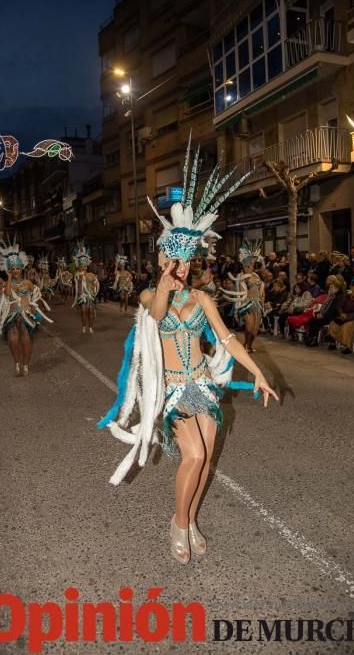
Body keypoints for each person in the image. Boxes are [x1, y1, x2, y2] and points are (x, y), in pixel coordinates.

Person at [97, 137, 278, 565]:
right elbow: (157, 314)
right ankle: (178, 523)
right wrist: (163, 283)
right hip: (174, 392)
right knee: (192, 456)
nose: (181, 268)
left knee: (204, 463)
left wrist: (258, 373)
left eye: (186, 262)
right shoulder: (147, 295)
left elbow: (228, 341)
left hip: (203, 387)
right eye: (174, 260)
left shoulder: (203, 299)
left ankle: (192, 519)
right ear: (162, 258)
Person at [0, 238, 53, 375]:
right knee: (13, 340)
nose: (15, 270)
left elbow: (36, 295)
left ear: (22, 268)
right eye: (12, 268)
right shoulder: (6, 284)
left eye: (17, 268)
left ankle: (26, 365)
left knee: (26, 340)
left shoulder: (27, 283)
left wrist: (33, 307)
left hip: (26, 316)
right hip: (12, 316)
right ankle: (16, 363)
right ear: (9, 269)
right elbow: (9, 294)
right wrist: (8, 278)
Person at [220, 241, 265, 352]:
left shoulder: (257, 276)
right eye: (245, 266)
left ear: (253, 266)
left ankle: (249, 345)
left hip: (257, 304)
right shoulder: (241, 277)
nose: (246, 268)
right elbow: (240, 292)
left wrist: (263, 301)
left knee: (255, 329)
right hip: (247, 304)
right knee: (249, 327)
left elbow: (262, 291)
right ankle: (245, 344)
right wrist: (237, 308)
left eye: (249, 266)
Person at [328, 281, 354, 354]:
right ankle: (334, 339)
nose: (351, 291)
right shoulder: (348, 297)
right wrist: (341, 313)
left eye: (353, 290)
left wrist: (348, 316)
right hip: (344, 317)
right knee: (333, 322)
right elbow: (339, 306)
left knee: (347, 325)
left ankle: (347, 346)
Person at [304, 275, 345, 346]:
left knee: (315, 321)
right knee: (313, 319)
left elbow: (334, 310)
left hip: (333, 317)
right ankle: (312, 338)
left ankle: (313, 339)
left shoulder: (339, 297)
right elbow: (325, 306)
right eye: (330, 288)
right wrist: (320, 313)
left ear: (337, 288)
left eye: (332, 288)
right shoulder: (332, 296)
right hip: (327, 315)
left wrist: (323, 315)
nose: (330, 289)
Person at [72, 241, 99, 333]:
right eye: (82, 265)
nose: (84, 267)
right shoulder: (78, 275)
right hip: (82, 296)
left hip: (90, 296)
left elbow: (95, 285)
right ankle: (84, 327)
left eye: (85, 265)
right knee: (83, 311)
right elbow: (77, 283)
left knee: (90, 312)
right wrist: (80, 274)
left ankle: (90, 327)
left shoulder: (91, 275)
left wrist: (94, 288)